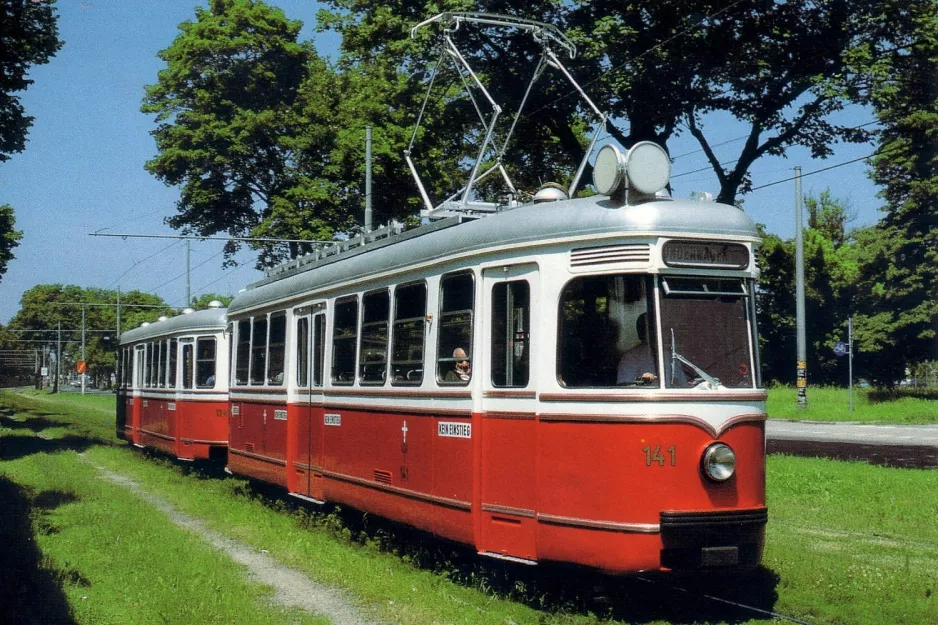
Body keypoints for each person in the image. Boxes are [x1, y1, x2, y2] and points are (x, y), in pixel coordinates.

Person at [617, 314, 657, 385]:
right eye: (643, 329)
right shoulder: (630, 357)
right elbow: (624, 386)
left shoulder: (670, 354)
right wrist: (643, 381)